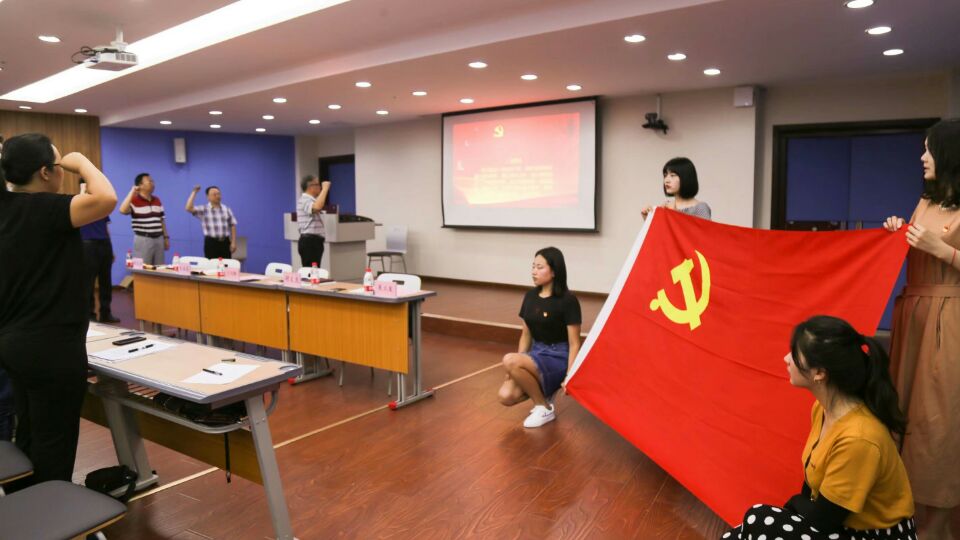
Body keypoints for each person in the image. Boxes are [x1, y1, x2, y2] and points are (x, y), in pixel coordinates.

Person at [724, 315, 915, 540]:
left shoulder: (858, 439)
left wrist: (793, 505)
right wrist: (794, 508)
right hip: (836, 523)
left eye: (795, 354)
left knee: (758, 518)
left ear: (820, 373)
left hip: (870, 535)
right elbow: (812, 487)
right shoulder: (823, 409)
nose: (786, 359)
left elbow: (825, 519)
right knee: (745, 530)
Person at [0, 133, 117, 486]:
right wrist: (81, 161)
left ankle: (24, 500)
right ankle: (50, 509)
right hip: (51, 349)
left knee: (29, 431)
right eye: (59, 164)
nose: (64, 169)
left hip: (14, 345)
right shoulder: (49, 209)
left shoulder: (7, 208)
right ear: (45, 172)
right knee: (55, 443)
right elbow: (106, 197)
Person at [883, 117, 960, 540]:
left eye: (929, 149)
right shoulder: (925, 203)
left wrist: (943, 251)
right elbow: (916, 246)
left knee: (940, 419)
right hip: (914, 315)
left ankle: (939, 526)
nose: (922, 157)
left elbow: (939, 253)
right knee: (906, 413)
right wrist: (898, 232)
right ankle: (905, 517)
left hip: (949, 320)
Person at [497, 247, 582, 428]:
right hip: (537, 353)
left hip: (558, 356)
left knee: (509, 359)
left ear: (554, 271)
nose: (534, 271)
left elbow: (575, 343)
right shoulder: (530, 296)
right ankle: (544, 395)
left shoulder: (568, 301)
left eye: (540, 267)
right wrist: (513, 368)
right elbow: (525, 335)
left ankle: (543, 407)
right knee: (506, 396)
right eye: (533, 266)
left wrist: (570, 375)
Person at [79, 179, 120, 324]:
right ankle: (89, 314)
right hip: (87, 245)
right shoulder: (79, 203)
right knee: (88, 282)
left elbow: (106, 227)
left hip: (104, 243)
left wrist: (111, 248)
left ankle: (105, 312)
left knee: (106, 281)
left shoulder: (101, 204)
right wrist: (83, 191)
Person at [119, 172, 168, 265]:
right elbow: (122, 210)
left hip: (159, 239)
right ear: (140, 185)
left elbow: (161, 220)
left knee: (159, 268)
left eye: (153, 181)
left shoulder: (157, 200)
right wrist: (132, 191)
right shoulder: (134, 200)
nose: (153, 183)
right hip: (143, 239)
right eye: (150, 181)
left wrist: (166, 238)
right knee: (142, 268)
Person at [640, 157, 712, 220]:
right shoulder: (666, 207)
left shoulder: (700, 208)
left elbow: (704, 231)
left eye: (672, 175)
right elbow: (661, 231)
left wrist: (673, 213)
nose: (666, 180)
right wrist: (647, 218)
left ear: (686, 177)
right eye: (665, 175)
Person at [185, 184, 238, 259]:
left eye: (218, 194)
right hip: (211, 243)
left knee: (226, 264)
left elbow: (232, 225)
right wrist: (194, 192)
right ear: (208, 197)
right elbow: (188, 208)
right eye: (214, 194)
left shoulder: (226, 209)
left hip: (225, 242)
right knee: (211, 265)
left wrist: (233, 242)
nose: (217, 196)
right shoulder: (204, 209)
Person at [296, 174, 331, 268]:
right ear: (310, 186)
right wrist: (325, 189)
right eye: (317, 185)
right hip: (309, 242)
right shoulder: (305, 199)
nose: (320, 187)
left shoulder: (311, 200)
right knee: (311, 272)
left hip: (313, 241)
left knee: (314, 270)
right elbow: (317, 207)